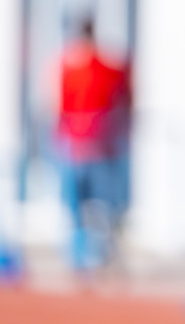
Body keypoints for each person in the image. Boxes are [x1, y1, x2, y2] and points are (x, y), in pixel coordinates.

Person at [55, 17, 132, 274]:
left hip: (91, 149)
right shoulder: (80, 68)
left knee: (95, 207)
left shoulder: (94, 68)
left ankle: (93, 255)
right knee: (86, 207)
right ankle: (85, 256)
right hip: (85, 148)